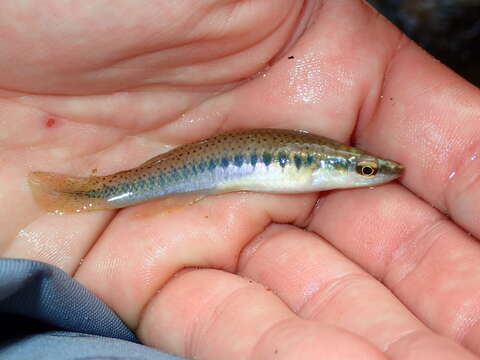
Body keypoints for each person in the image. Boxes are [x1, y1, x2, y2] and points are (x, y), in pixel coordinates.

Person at [1, 1, 480, 359]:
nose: (374, 176)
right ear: (332, 166)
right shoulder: (312, 164)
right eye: (367, 171)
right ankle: (87, 193)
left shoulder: (316, 164)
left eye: (368, 170)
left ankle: (83, 194)